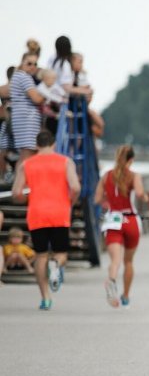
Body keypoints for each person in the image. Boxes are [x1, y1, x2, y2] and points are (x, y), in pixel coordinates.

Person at [12, 130, 79, 310]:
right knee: (61, 253)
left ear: (36, 146)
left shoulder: (26, 164)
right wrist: (69, 201)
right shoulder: (66, 162)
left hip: (37, 214)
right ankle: (56, 265)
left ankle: (45, 298)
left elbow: (16, 192)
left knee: (40, 255)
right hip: (60, 212)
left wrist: (27, 199)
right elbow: (75, 187)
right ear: (53, 144)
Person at [94, 145, 147, 308]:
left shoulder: (106, 176)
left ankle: (111, 280)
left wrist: (107, 201)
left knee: (115, 260)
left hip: (113, 219)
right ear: (131, 160)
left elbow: (96, 200)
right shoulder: (134, 176)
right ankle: (125, 295)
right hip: (130, 220)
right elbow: (138, 193)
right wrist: (144, 196)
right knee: (128, 261)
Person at [10, 54, 44, 163]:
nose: (32, 66)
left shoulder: (18, 76)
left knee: (27, 156)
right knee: (27, 156)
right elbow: (37, 99)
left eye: (35, 64)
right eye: (29, 63)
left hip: (24, 120)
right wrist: (48, 90)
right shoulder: (24, 77)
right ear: (22, 62)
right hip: (26, 121)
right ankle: (20, 180)